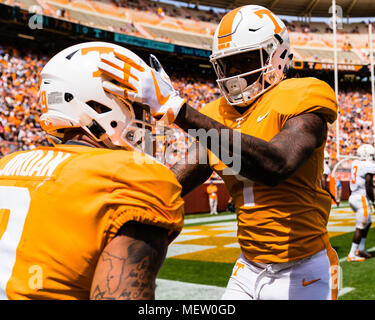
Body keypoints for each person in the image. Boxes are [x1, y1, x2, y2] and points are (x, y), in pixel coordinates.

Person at [98, 5, 339, 300]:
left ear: (278, 55)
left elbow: (276, 165)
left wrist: (179, 111)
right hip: (248, 268)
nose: (235, 74)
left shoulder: (304, 94)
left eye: (246, 61)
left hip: (303, 268)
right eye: (228, 65)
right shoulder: (217, 113)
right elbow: (174, 181)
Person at [0, 42, 184, 300]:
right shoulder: (130, 177)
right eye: (140, 109)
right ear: (98, 107)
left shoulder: (7, 165)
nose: (147, 122)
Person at [347, 144, 375, 262]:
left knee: (367, 222)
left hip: (354, 196)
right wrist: (373, 200)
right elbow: (368, 185)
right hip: (361, 198)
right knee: (361, 226)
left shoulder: (356, 163)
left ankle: (361, 249)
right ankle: (352, 254)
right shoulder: (368, 165)